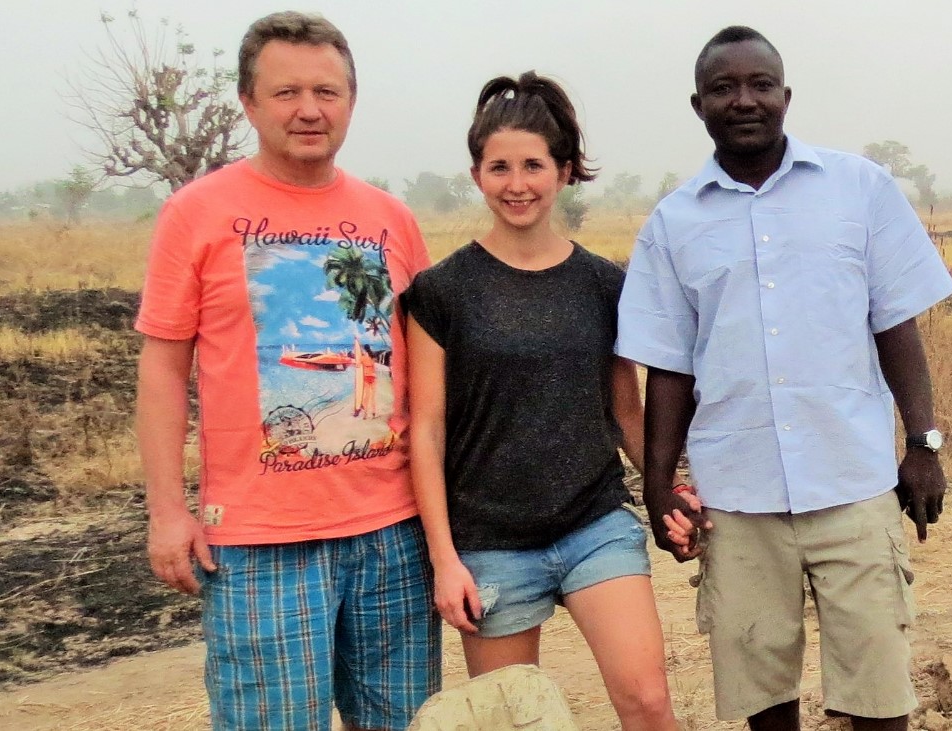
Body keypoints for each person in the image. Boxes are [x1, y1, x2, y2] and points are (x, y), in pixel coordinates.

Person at [616, 25, 952, 731]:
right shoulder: (674, 223)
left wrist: (923, 444)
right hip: (737, 501)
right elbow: (670, 366)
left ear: (785, 96)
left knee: (878, 693)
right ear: (698, 104)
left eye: (760, 85)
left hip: (854, 484)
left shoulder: (858, 189)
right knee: (761, 697)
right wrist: (656, 482)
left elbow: (896, 324)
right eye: (724, 87)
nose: (744, 100)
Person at [134, 11, 439, 730]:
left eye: (328, 92)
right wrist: (166, 510)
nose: (309, 110)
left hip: (392, 534)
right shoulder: (195, 213)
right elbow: (162, 368)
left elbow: (425, 372)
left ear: (352, 101)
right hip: (258, 539)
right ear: (248, 102)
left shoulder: (391, 218)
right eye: (287, 93)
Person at [400, 71, 688, 731]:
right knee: (512, 719)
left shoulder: (603, 284)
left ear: (562, 172)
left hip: (594, 526)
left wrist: (666, 491)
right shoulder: (441, 292)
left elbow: (625, 412)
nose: (517, 182)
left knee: (648, 703)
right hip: (490, 544)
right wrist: (445, 559)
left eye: (534, 164)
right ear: (477, 175)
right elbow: (428, 429)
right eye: (499, 166)